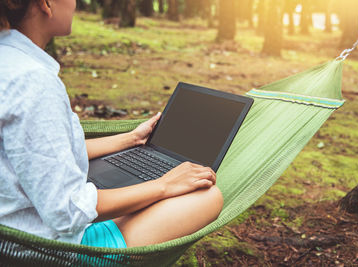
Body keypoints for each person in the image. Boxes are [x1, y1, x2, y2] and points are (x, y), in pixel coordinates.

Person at [0, 0, 223, 248]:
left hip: (18, 226)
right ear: (46, 4)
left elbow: (43, 154)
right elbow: (66, 212)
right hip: (54, 249)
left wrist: (131, 138)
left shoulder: (9, 62)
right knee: (208, 196)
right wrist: (164, 185)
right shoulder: (33, 81)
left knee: (136, 191)